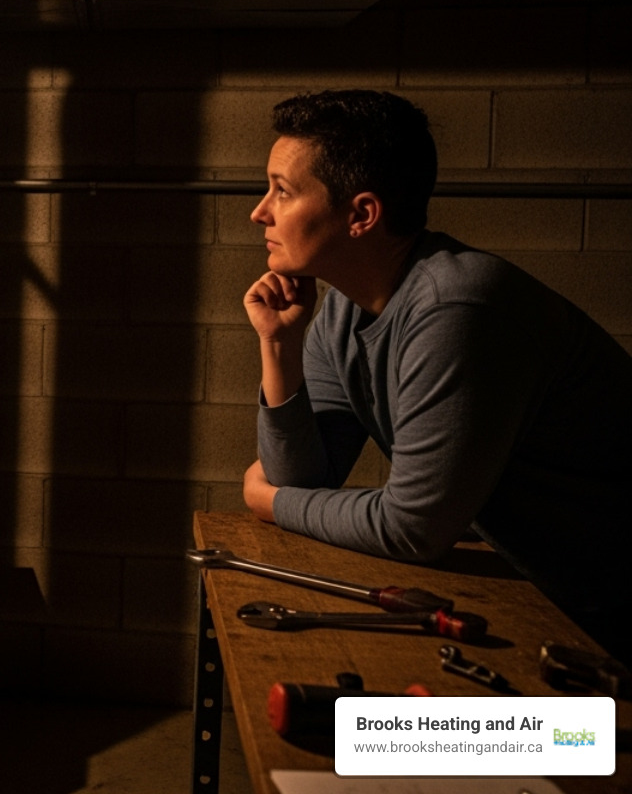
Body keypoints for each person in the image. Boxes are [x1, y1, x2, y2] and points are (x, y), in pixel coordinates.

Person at [241, 89, 631, 660]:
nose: (260, 212)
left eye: (283, 190)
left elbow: (412, 529)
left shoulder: (458, 309)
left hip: (611, 613)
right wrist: (279, 343)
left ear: (362, 215)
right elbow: (301, 476)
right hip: (547, 599)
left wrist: (268, 501)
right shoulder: (344, 309)